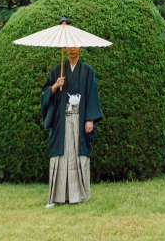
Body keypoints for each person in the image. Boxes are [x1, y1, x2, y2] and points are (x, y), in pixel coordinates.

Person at [40, 45, 102, 208]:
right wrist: (54, 86)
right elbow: (45, 93)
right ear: (64, 48)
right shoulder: (57, 70)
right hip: (61, 121)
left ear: (80, 48)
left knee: (77, 153)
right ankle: (56, 197)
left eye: (75, 46)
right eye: (68, 47)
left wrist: (90, 119)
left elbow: (91, 94)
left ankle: (79, 194)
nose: (72, 50)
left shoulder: (87, 71)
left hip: (80, 120)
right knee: (60, 155)